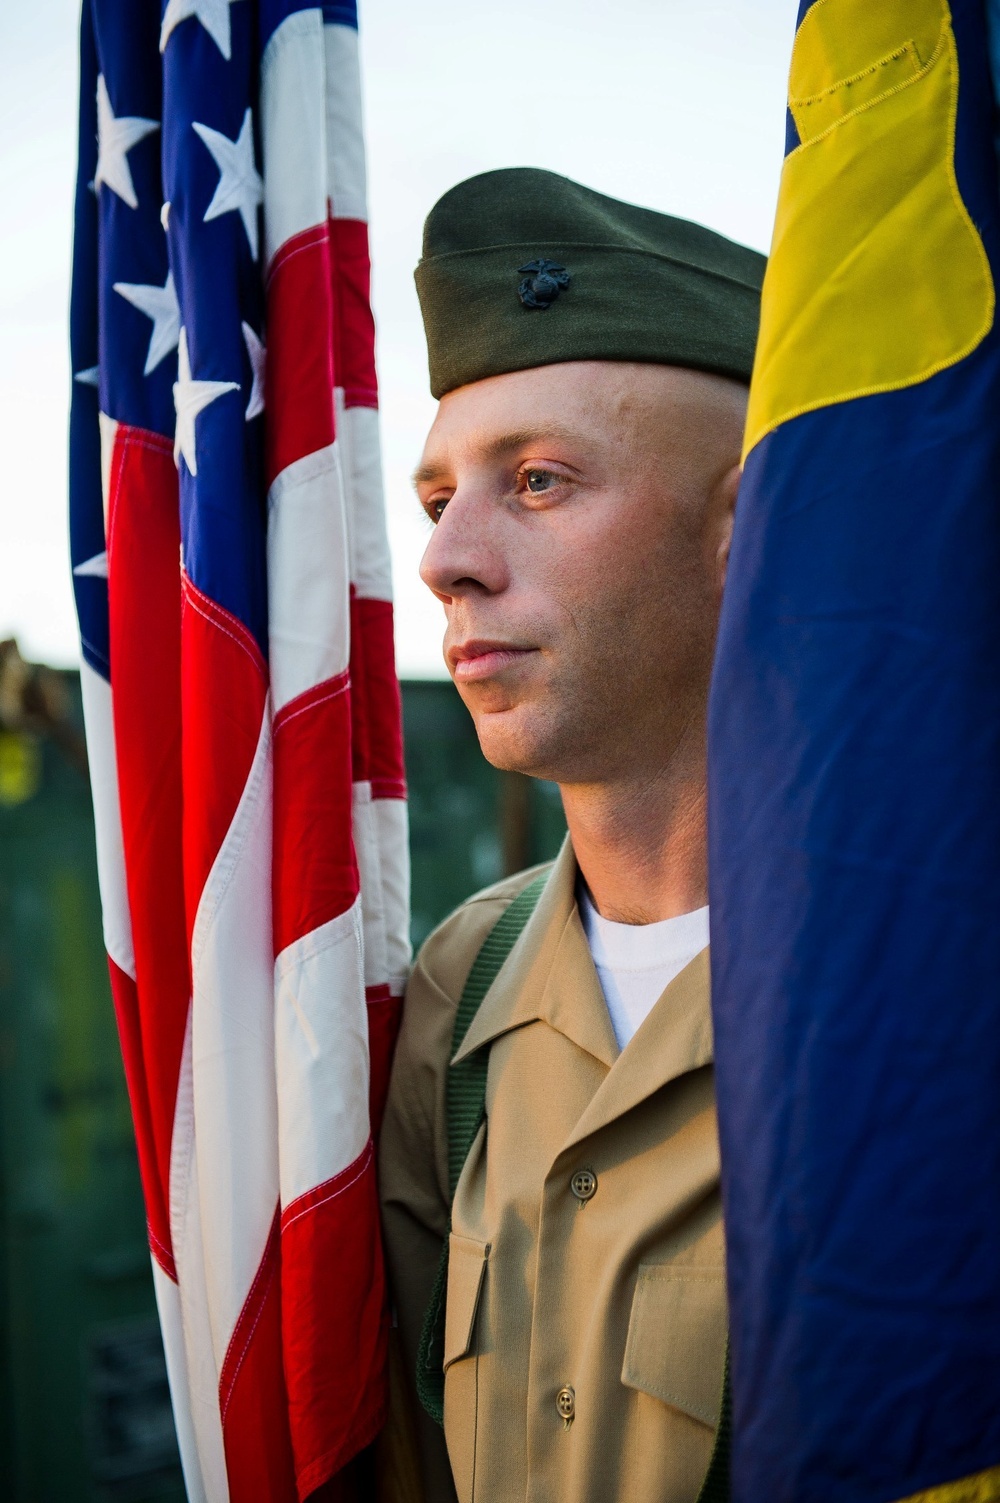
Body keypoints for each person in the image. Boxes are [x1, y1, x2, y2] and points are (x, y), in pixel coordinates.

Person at [378, 166, 765, 1503]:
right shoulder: (459, 990)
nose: (446, 559)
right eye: (439, 501)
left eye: (538, 481)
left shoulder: (936, 985)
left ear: (744, 529)